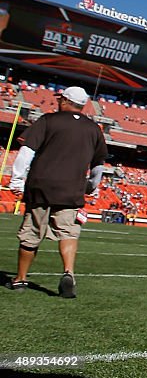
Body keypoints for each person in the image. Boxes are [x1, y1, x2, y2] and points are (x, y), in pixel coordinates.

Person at [6, 86, 107, 298]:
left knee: (31, 233)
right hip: (72, 189)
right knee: (69, 233)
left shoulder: (48, 121)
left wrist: (16, 180)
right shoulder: (93, 129)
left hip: (41, 186)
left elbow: (26, 152)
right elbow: (98, 165)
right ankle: (68, 272)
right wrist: (91, 186)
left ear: (64, 100)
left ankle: (20, 279)